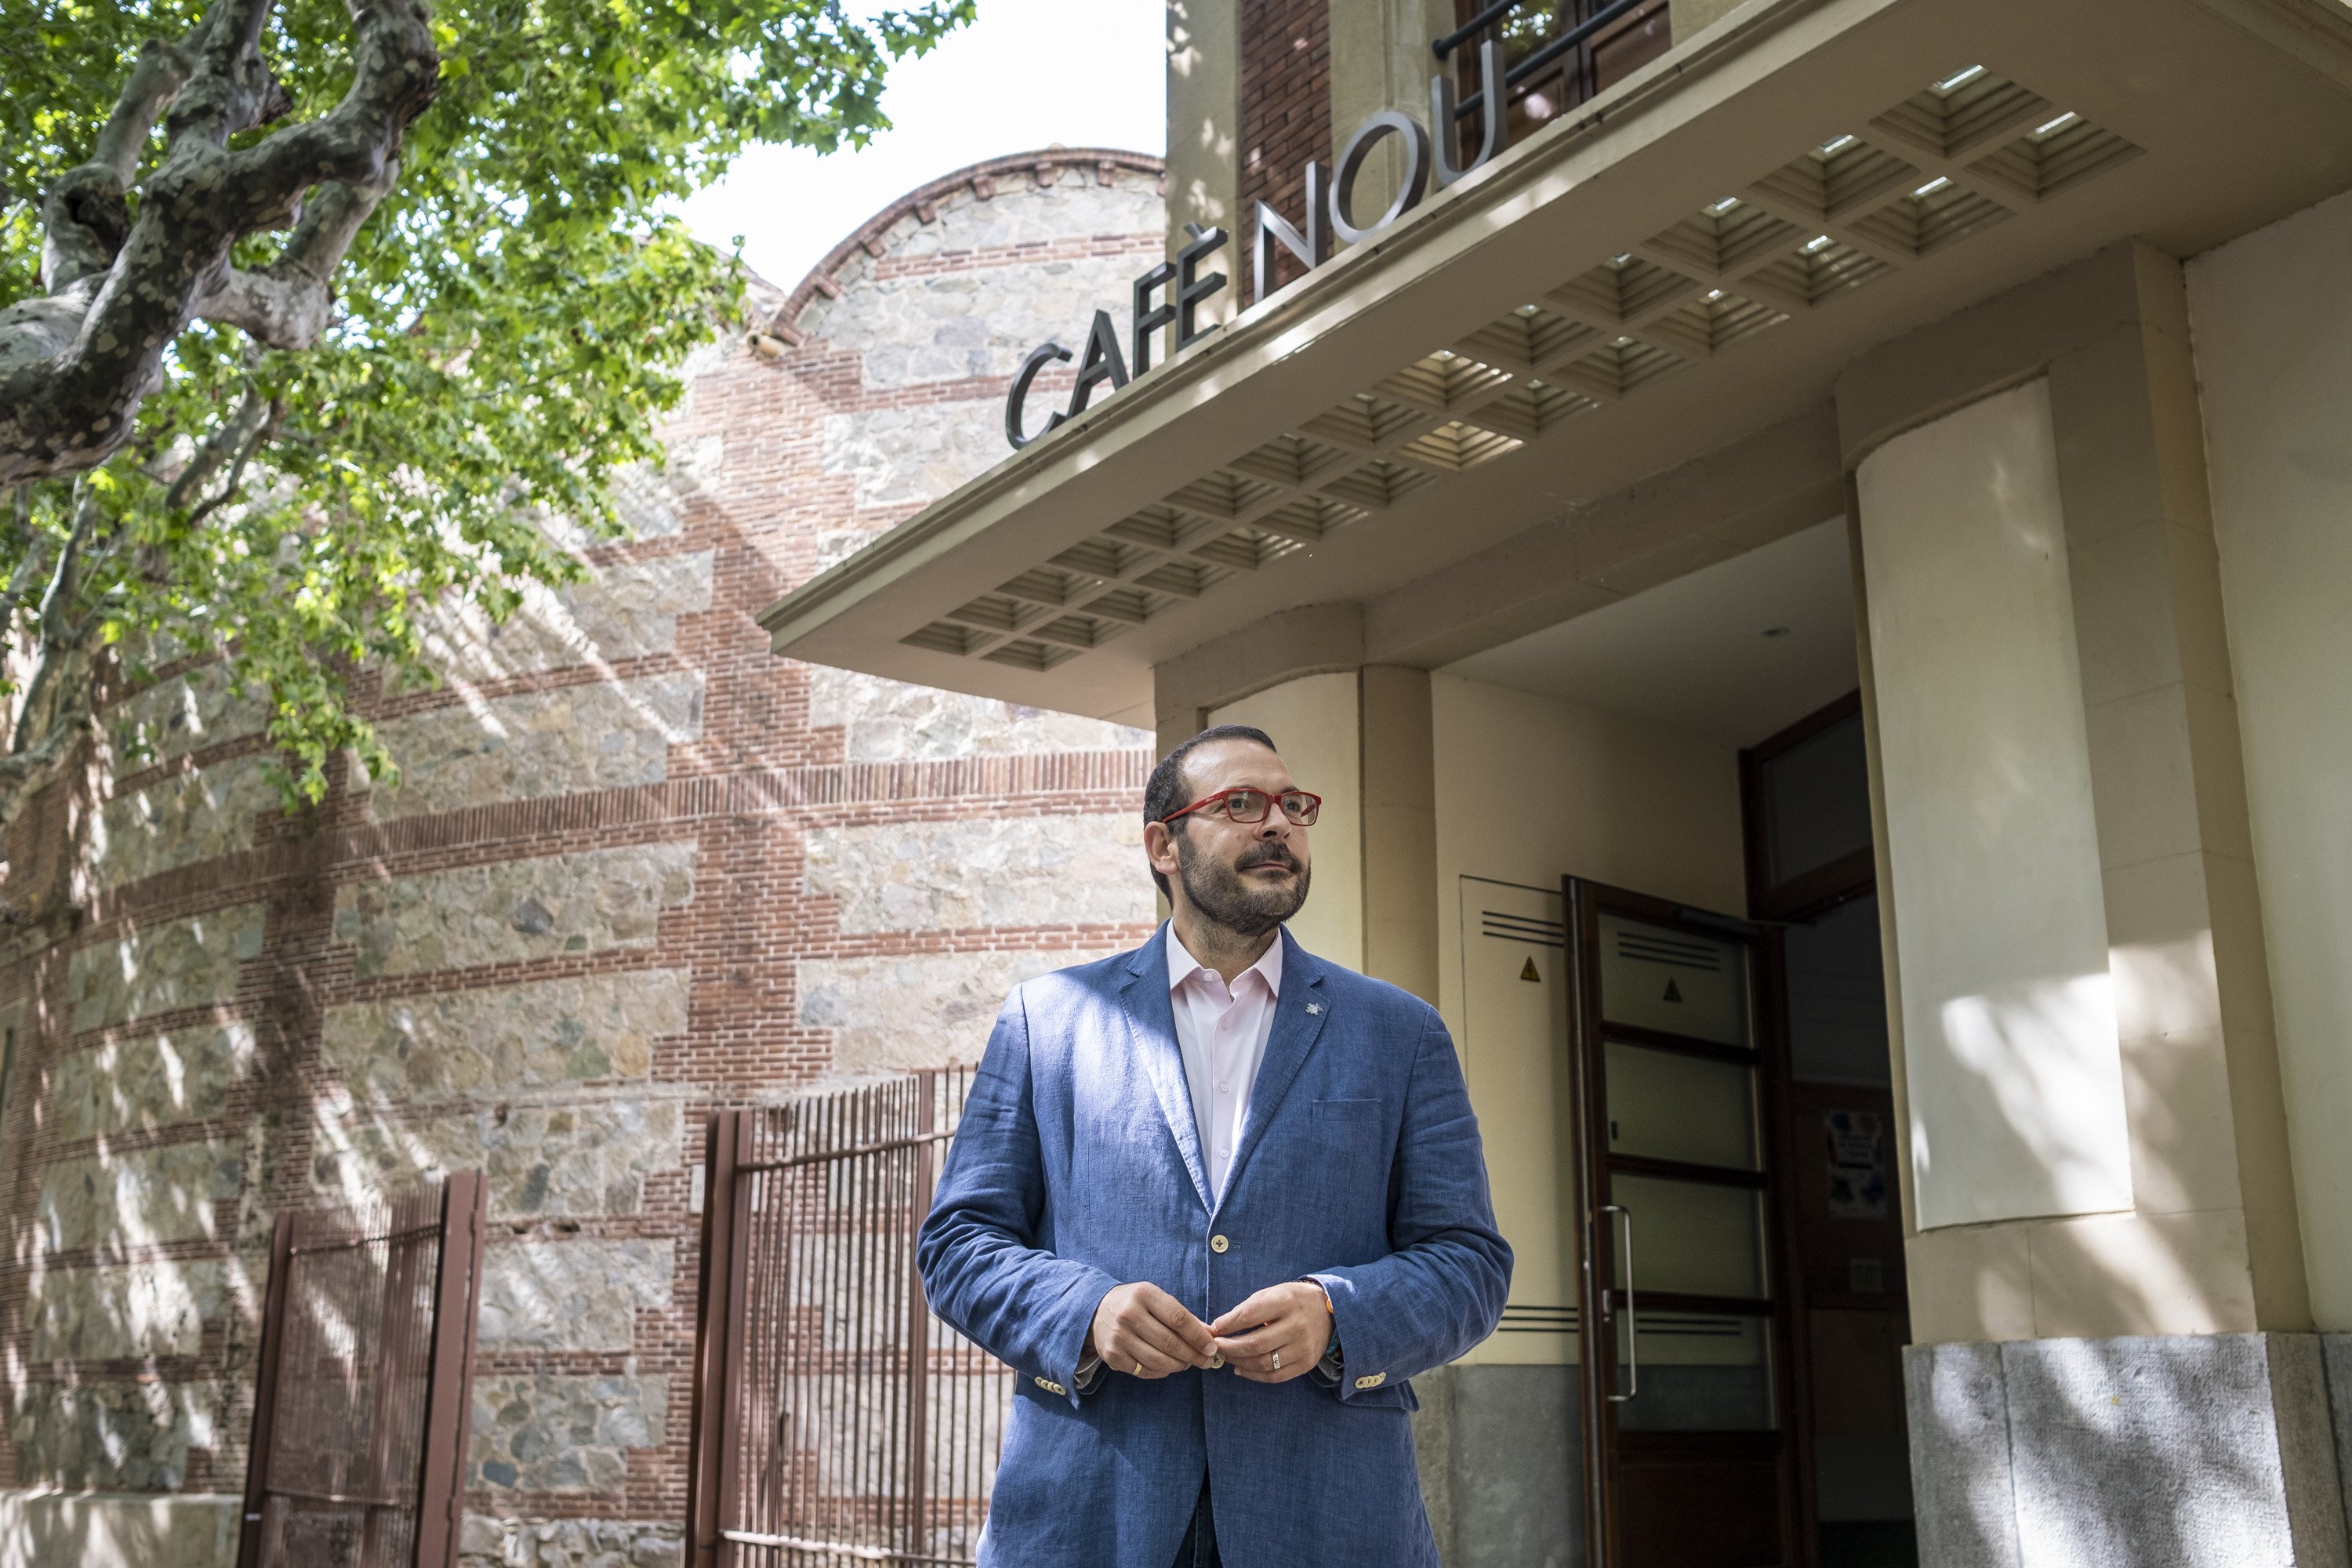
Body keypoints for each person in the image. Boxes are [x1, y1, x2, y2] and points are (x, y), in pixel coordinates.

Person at [917, 723, 1511, 1567]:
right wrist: (1084, 1310)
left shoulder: (1401, 1032)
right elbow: (956, 1243)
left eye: (1292, 806)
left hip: (1326, 1511)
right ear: (1163, 843)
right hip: (1093, 1510)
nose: (1278, 824)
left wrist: (1338, 1311)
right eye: (1241, 803)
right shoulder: (1046, 1020)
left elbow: (1471, 1264)